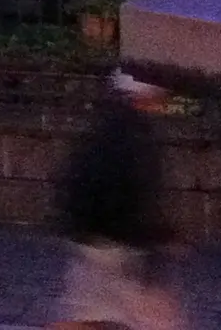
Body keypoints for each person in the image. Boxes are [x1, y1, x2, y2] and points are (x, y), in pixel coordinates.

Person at [51, 73, 185, 330]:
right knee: (155, 321)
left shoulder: (102, 128)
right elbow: (136, 195)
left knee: (89, 314)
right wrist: (159, 237)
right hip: (122, 250)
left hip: (93, 242)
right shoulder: (135, 135)